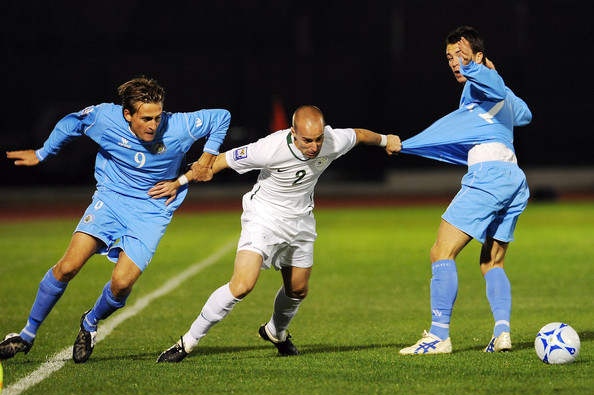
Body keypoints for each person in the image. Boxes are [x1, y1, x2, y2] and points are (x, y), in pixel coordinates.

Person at [0, 77, 230, 363]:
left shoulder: (180, 125)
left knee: (121, 284)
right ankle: (26, 334)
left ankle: (90, 323)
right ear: (127, 115)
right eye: (146, 118)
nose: (153, 125)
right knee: (69, 266)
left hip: (152, 210)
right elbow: (72, 123)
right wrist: (43, 152)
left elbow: (221, 117)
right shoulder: (104, 117)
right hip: (111, 199)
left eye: (158, 117)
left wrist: (206, 158)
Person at [150, 105, 401, 362]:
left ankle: (275, 332)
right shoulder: (270, 148)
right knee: (242, 285)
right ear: (293, 133)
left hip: (301, 220)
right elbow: (222, 159)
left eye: (318, 139)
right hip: (264, 218)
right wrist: (178, 182)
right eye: (307, 140)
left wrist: (385, 140)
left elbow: (359, 134)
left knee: (298, 290)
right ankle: (187, 342)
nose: (314, 147)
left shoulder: (333, 140)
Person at [398, 26, 532, 354]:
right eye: (450, 58)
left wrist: (478, 70)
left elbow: (496, 85)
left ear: (480, 57)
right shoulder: (493, 94)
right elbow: (525, 115)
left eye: (462, 56)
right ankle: (502, 333)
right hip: (513, 178)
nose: (456, 63)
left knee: (441, 252)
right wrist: (489, 77)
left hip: (488, 177)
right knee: (492, 263)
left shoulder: (481, 84)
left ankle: (438, 335)